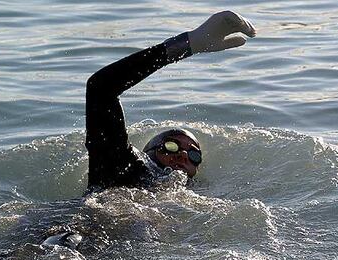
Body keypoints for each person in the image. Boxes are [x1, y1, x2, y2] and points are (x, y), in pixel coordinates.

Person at [85, 10, 256, 193]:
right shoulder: (124, 168)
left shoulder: (197, 200)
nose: (183, 155)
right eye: (171, 146)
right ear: (147, 154)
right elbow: (101, 88)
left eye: (193, 155)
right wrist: (188, 45)